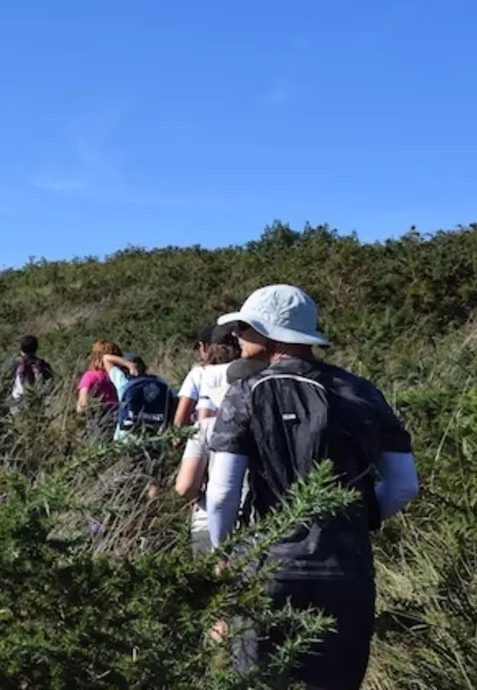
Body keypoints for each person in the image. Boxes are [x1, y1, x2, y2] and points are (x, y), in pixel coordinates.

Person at [204, 284, 420, 690]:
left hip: (266, 566)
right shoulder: (360, 391)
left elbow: (222, 493)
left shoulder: (244, 393)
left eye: (244, 328)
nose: (237, 337)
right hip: (346, 568)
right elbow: (404, 485)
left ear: (270, 335)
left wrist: (225, 554)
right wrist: (356, 519)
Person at [175, 356, 268, 555]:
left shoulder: (205, 427)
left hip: (208, 524)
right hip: (265, 523)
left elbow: (185, 487)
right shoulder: (275, 426)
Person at [173, 325, 241, 428]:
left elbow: (181, 417)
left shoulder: (199, 373)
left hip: (205, 436)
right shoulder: (245, 371)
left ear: (205, 346)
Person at [77, 340, 122, 441]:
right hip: (119, 422)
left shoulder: (90, 376)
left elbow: (82, 406)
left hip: (98, 425)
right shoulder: (119, 377)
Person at [8, 335, 55, 403]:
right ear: (36, 348)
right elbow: (51, 381)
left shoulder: (16, 363)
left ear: (21, 348)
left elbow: (10, 379)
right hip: (39, 397)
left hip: (18, 398)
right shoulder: (42, 364)